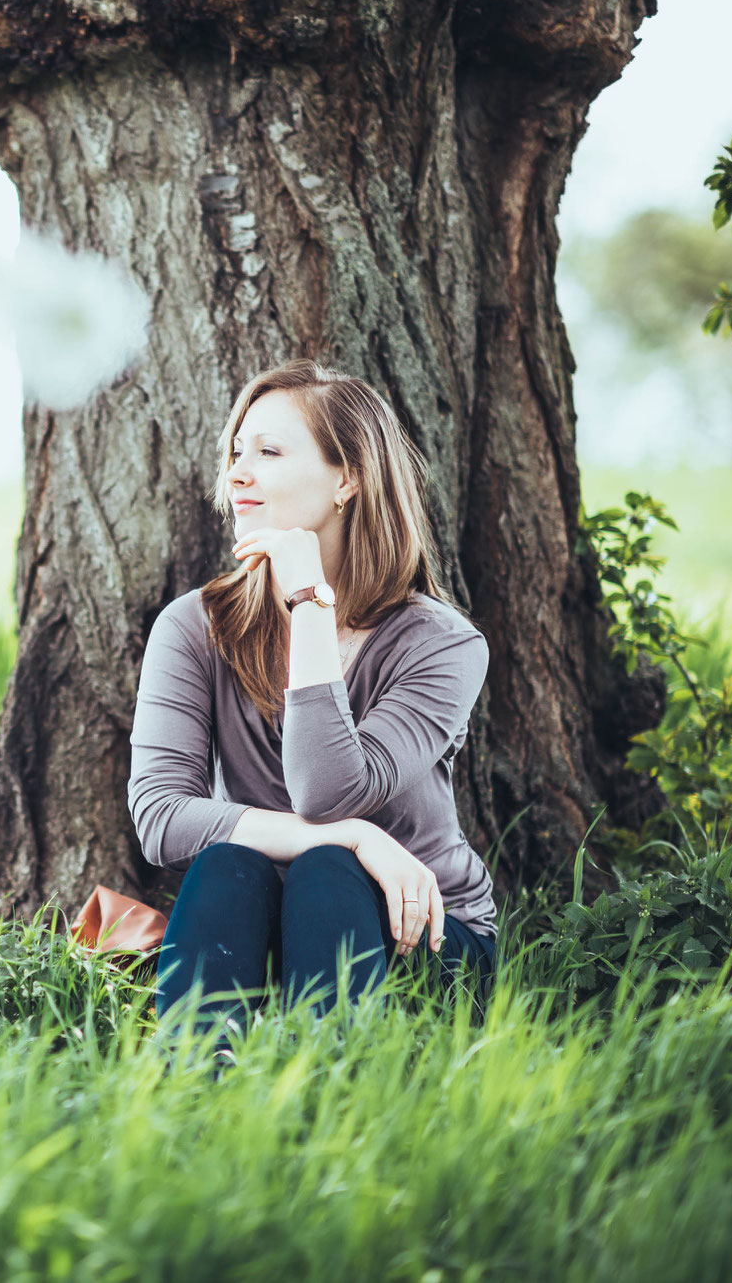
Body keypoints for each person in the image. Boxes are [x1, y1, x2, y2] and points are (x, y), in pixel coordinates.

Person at [127, 359, 498, 1054]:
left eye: (268, 452)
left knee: (329, 873)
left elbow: (329, 792)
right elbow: (161, 817)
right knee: (226, 864)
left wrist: (308, 605)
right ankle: (194, 1093)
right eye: (236, 451)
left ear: (346, 479)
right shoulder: (193, 626)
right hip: (258, 927)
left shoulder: (442, 644)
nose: (238, 473)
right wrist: (359, 837)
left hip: (416, 939)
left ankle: (336, 1098)